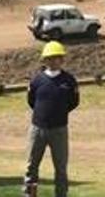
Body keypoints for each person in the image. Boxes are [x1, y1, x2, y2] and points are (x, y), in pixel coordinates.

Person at [23, 41, 79, 197]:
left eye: (57, 58)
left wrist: (59, 113)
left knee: (61, 168)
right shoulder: (36, 80)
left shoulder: (69, 80)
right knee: (31, 166)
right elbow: (31, 101)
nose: (53, 61)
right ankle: (29, 194)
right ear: (44, 60)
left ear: (62, 59)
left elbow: (74, 102)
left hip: (59, 130)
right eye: (49, 58)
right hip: (37, 129)